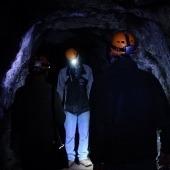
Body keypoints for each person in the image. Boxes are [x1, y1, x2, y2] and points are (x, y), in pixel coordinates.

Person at [89, 30, 170, 170]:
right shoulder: (149, 80)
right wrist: (167, 148)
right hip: (145, 157)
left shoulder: (101, 82)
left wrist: (97, 158)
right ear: (133, 53)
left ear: (110, 52)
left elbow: (98, 124)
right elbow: (165, 117)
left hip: (114, 159)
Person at [10, 54, 66, 170]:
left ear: (30, 72)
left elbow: (15, 120)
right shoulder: (51, 92)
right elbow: (60, 119)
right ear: (46, 72)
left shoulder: (21, 93)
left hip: (26, 145)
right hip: (47, 146)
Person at [57, 47, 93, 167]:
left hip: (85, 108)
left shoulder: (87, 70)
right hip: (69, 109)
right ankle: (69, 157)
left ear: (78, 57)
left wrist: (91, 105)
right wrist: (59, 108)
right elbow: (60, 91)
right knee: (69, 134)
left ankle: (83, 156)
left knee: (84, 134)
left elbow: (91, 89)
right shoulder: (63, 72)